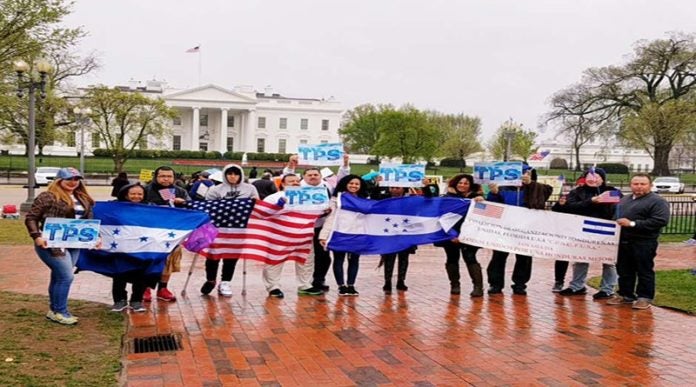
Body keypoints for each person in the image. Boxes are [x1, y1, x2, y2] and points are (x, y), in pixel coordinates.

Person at [24, 167, 99, 325]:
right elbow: (31, 217)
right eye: (69, 179)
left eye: (76, 179)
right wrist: (36, 236)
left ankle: (54, 310)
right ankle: (61, 311)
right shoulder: (47, 196)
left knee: (59, 276)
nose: (73, 182)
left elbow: (88, 221)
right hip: (51, 243)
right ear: (59, 180)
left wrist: (95, 237)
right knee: (66, 276)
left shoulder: (83, 197)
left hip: (74, 242)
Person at [283, 153, 351, 292]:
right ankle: (306, 283)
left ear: (320, 176)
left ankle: (318, 280)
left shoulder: (327, 187)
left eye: (316, 174)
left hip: (322, 227)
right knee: (305, 258)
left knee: (324, 257)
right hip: (302, 227)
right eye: (310, 175)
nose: (313, 177)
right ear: (304, 177)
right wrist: (291, 164)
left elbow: (343, 180)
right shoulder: (297, 187)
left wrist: (344, 163)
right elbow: (287, 178)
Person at [486, 164, 552, 295]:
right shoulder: (502, 189)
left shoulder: (536, 188)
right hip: (504, 228)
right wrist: (493, 194)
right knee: (498, 257)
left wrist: (531, 184)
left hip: (526, 229)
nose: (522, 177)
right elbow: (492, 205)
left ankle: (520, 284)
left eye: (526, 174)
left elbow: (547, 193)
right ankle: (495, 284)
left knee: (524, 258)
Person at [607, 173, 670, 310]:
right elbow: (614, 216)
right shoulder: (624, 200)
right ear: (631, 185)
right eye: (636, 184)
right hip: (623, 241)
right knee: (624, 270)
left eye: (643, 184)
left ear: (650, 185)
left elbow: (660, 220)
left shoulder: (658, 201)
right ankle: (625, 294)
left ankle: (644, 297)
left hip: (644, 242)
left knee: (644, 270)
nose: (639, 187)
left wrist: (632, 224)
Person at [556, 168, 621, 299]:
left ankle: (607, 288)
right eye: (590, 176)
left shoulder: (612, 191)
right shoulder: (576, 192)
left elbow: (618, 208)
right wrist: (591, 201)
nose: (593, 179)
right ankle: (577, 286)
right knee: (581, 258)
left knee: (608, 261)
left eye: (597, 176)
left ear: (602, 179)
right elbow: (570, 207)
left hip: (605, 230)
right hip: (583, 230)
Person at [201, 163, 260, 296]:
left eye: (236, 174)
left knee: (231, 256)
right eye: (230, 174)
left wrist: (255, 202)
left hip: (238, 228)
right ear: (225, 175)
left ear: (240, 175)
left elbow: (257, 206)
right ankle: (210, 279)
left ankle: (225, 282)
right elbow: (208, 207)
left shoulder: (250, 188)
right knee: (212, 255)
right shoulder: (215, 189)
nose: (233, 177)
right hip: (217, 227)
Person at [261, 174, 323, 298]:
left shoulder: (309, 197)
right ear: (283, 184)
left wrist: (324, 212)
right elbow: (263, 213)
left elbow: (316, 213)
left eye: (296, 181)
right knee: (274, 261)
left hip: (304, 235)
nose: (295, 183)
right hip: (280, 235)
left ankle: (305, 285)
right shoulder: (273, 197)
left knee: (306, 261)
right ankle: (273, 286)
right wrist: (278, 205)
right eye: (291, 181)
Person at [142, 166, 191, 302]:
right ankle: (145, 287)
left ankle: (163, 288)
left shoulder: (180, 191)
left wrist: (184, 204)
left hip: (172, 233)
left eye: (169, 176)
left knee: (169, 261)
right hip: (149, 233)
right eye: (162, 176)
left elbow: (191, 209)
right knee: (148, 260)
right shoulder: (145, 190)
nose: (166, 179)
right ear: (156, 177)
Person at [319, 174, 369, 296]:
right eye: (351, 183)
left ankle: (351, 285)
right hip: (339, 233)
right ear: (345, 184)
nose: (354, 186)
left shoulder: (364, 200)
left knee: (354, 260)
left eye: (357, 184)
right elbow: (331, 218)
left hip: (357, 234)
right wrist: (323, 236)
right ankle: (341, 286)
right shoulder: (336, 199)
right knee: (339, 259)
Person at [437, 174, 486, 296]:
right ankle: (455, 285)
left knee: (470, 258)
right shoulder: (448, 198)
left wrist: (482, 201)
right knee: (452, 258)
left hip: (469, 234)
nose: (462, 185)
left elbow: (483, 214)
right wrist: (452, 235)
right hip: (451, 233)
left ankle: (478, 287)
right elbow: (442, 217)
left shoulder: (477, 198)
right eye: (460, 183)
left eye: (465, 183)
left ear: (471, 185)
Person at [110, 182, 150, 313]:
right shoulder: (115, 206)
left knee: (142, 274)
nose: (136, 196)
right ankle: (119, 300)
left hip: (142, 247)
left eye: (140, 194)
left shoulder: (150, 208)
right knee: (119, 274)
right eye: (133, 193)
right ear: (126, 194)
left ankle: (136, 300)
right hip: (121, 246)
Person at [376, 186, 416, 294]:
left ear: (403, 189)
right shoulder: (384, 199)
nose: (395, 190)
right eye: (392, 188)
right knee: (389, 258)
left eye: (398, 188)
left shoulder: (410, 201)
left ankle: (401, 280)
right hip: (388, 233)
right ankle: (387, 281)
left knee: (404, 258)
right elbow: (374, 197)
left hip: (405, 233)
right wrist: (377, 185)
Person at [551, 176, 586, 292]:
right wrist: (560, 205)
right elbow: (556, 211)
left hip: (585, 231)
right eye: (579, 184)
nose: (581, 186)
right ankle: (559, 281)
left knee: (582, 258)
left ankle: (579, 283)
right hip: (569, 230)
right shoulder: (571, 195)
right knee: (562, 257)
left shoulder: (596, 194)